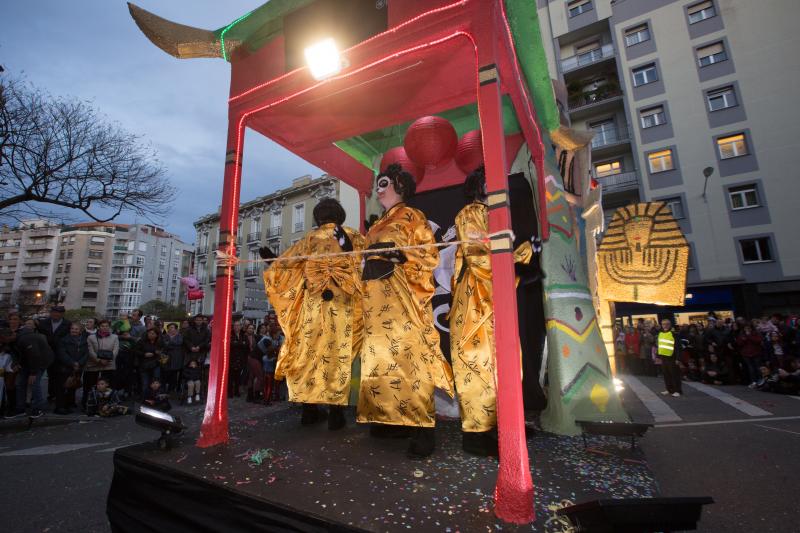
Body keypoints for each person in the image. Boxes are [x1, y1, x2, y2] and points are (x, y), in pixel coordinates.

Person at [356, 163, 454, 458]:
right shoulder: (375, 225)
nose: (379, 188)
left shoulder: (413, 216)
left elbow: (428, 255)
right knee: (380, 364)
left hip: (402, 303)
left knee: (410, 362)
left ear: (399, 184)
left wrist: (402, 255)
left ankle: (423, 429)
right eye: (378, 184)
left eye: (384, 182)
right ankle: (391, 420)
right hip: (376, 305)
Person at [447, 166, 540, 456]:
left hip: (494, 299)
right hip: (477, 300)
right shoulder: (470, 213)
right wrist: (518, 260)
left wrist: (523, 253)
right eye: (491, 181)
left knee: (505, 362)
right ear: (479, 186)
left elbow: (497, 254)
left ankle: (504, 424)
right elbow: (479, 256)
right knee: (479, 362)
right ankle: (476, 433)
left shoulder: (494, 217)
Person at [261, 197, 365, 429]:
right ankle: (336, 413)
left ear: (318, 217)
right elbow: (365, 260)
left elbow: (286, 264)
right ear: (340, 214)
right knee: (339, 356)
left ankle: (309, 411)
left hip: (313, 307)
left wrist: (272, 261)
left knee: (310, 356)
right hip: (343, 307)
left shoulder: (309, 238)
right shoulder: (353, 234)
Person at [11, 319, 54, 417]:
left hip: (42, 360)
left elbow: (34, 355)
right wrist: (15, 363)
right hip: (27, 361)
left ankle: (38, 408)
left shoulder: (27, 338)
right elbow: (14, 352)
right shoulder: (11, 340)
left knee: (34, 383)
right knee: (20, 383)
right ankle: (20, 408)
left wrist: (33, 373)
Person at [37, 305, 71, 401]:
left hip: (59, 354)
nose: (56, 314)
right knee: (38, 376)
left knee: (56, 376)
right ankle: (35, 397)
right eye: (54, 312)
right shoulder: (43, 323)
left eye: (59, 313)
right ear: (51, 313)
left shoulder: (68, 324)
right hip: (44, 353)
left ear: (62, 314)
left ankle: (54, 395)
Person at [84, 320, 119, 412]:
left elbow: (115, 350)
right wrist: (99, 360)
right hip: (93, 365)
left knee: (108, 387)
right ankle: (88, 405)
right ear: (99, 327)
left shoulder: (114, 337)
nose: (105, 328)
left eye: (107, 326)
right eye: (102, 326)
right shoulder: (91, 337)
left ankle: (108, 405)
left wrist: (108, 359)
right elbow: (90, 351)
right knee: (90, 386)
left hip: (109, 365)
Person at [54, 323, 88, 414]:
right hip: (65, 367)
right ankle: (60, 407)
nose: (74, 330)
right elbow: (62, 353)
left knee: (72, 387)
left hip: (78, 368)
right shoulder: (64, 340)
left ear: (80, 331)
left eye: (76, 329)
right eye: (72, 328)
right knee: (62, 388)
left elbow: (86, 354)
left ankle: (69, 405)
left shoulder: (84, 340)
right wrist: (72, 363)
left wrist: (79, 363)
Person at [657, 318, 682, 397]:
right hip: (663, 357)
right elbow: (660, 345)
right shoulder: (660, 333)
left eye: (667, 324)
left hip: (672, 357)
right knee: (666, 374)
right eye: (663, 324)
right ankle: (669, 389)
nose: (665, 325)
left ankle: (678, 391)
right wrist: (658, 356)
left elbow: (678, 347)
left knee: (674, 374)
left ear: (670, 325)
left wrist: (678, 358)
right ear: (661, 325)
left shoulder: (674, 334)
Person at [260, 322, 284, 403]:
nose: (278, 336)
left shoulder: (274, 340)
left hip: (269, 365)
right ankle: (267, 400)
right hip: (268, 366)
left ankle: (269, 398)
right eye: (277, 334)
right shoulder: (268, 340)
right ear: (273, 334)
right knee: (268, 384)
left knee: (270, 383)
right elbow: (268, 355)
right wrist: (275, 353)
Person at [136, 328, 163, 397]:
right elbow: (136, 351)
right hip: (144, 364)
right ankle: (145, 398)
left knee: (156, 382)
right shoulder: (142, 341)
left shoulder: (160, 342)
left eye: (153, 333)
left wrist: (159, 353)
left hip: (156, 364)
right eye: (149, 333)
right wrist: (144, 354)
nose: (151, 335)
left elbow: (164, 351)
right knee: (145, 382)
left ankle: (155, 397)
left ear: (156, 335)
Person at [243, 324, 264, 403]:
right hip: (249, 358)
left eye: (252, 328)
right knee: (254, 376)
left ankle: (251, 395)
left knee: (252, 376)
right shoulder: (244, 337)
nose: (251, 330)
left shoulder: (256, 337)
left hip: (254, 357)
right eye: (249, 328)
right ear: (247, 329)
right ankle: (252, 394)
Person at [162, 323, 184, 393]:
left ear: (176, 329)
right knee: (165, 375)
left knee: (174, 375)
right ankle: (164, 390)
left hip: (176, 358)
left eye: (172, 327)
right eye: (169, 328)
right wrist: (172, 344)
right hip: (166, 358)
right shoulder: (165, 336)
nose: (170, 329)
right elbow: (164, 344)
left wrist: (169, 343)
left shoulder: (179, 336)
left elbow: (179, 343)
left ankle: (171, 391)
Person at [228, 320, 247, 398]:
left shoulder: (243, 335)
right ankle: (230, 392)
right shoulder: (230, 335)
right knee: (231, 377)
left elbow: (246, 345)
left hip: (240, 358)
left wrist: (238, 344)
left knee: (238, 377)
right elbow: (231, 344)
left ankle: (236, 391)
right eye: (235, 325)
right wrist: (241, 344)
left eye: (238, 325)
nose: (237, 327)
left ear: (241, 326)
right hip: (232, 358)